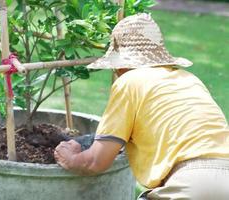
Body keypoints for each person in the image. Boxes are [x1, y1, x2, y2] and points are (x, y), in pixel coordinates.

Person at [54, 13, 229, 200]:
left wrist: (70, 158)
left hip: (193, 186)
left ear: (119, 67)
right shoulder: (190, 80)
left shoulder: (129, 81)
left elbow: (95, 162)